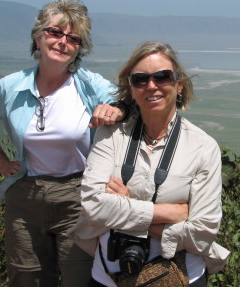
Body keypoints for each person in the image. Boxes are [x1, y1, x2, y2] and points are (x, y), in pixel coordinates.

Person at [0, 0, 126, 287]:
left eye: (73, 38)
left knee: (79, 278)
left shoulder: (89, 86)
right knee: (27, 278)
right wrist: (0, 161)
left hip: (78, 196)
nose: (62, 41)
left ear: (79, 49)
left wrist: (115, 108)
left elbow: (126, 104)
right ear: (38, 37)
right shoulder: (10, 87)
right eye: (55, 32)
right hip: (25, 196)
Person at [69, 41, 230, 287]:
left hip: (179, 276)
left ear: (179, 85)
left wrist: (125, 207)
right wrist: (166, 214)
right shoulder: (110, 135)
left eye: (162, 77)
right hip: (109, 277)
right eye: (140, 79)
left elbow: (202, 234)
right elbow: (93, 206)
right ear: (131, 90)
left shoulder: (202, 147)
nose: (151, 86)